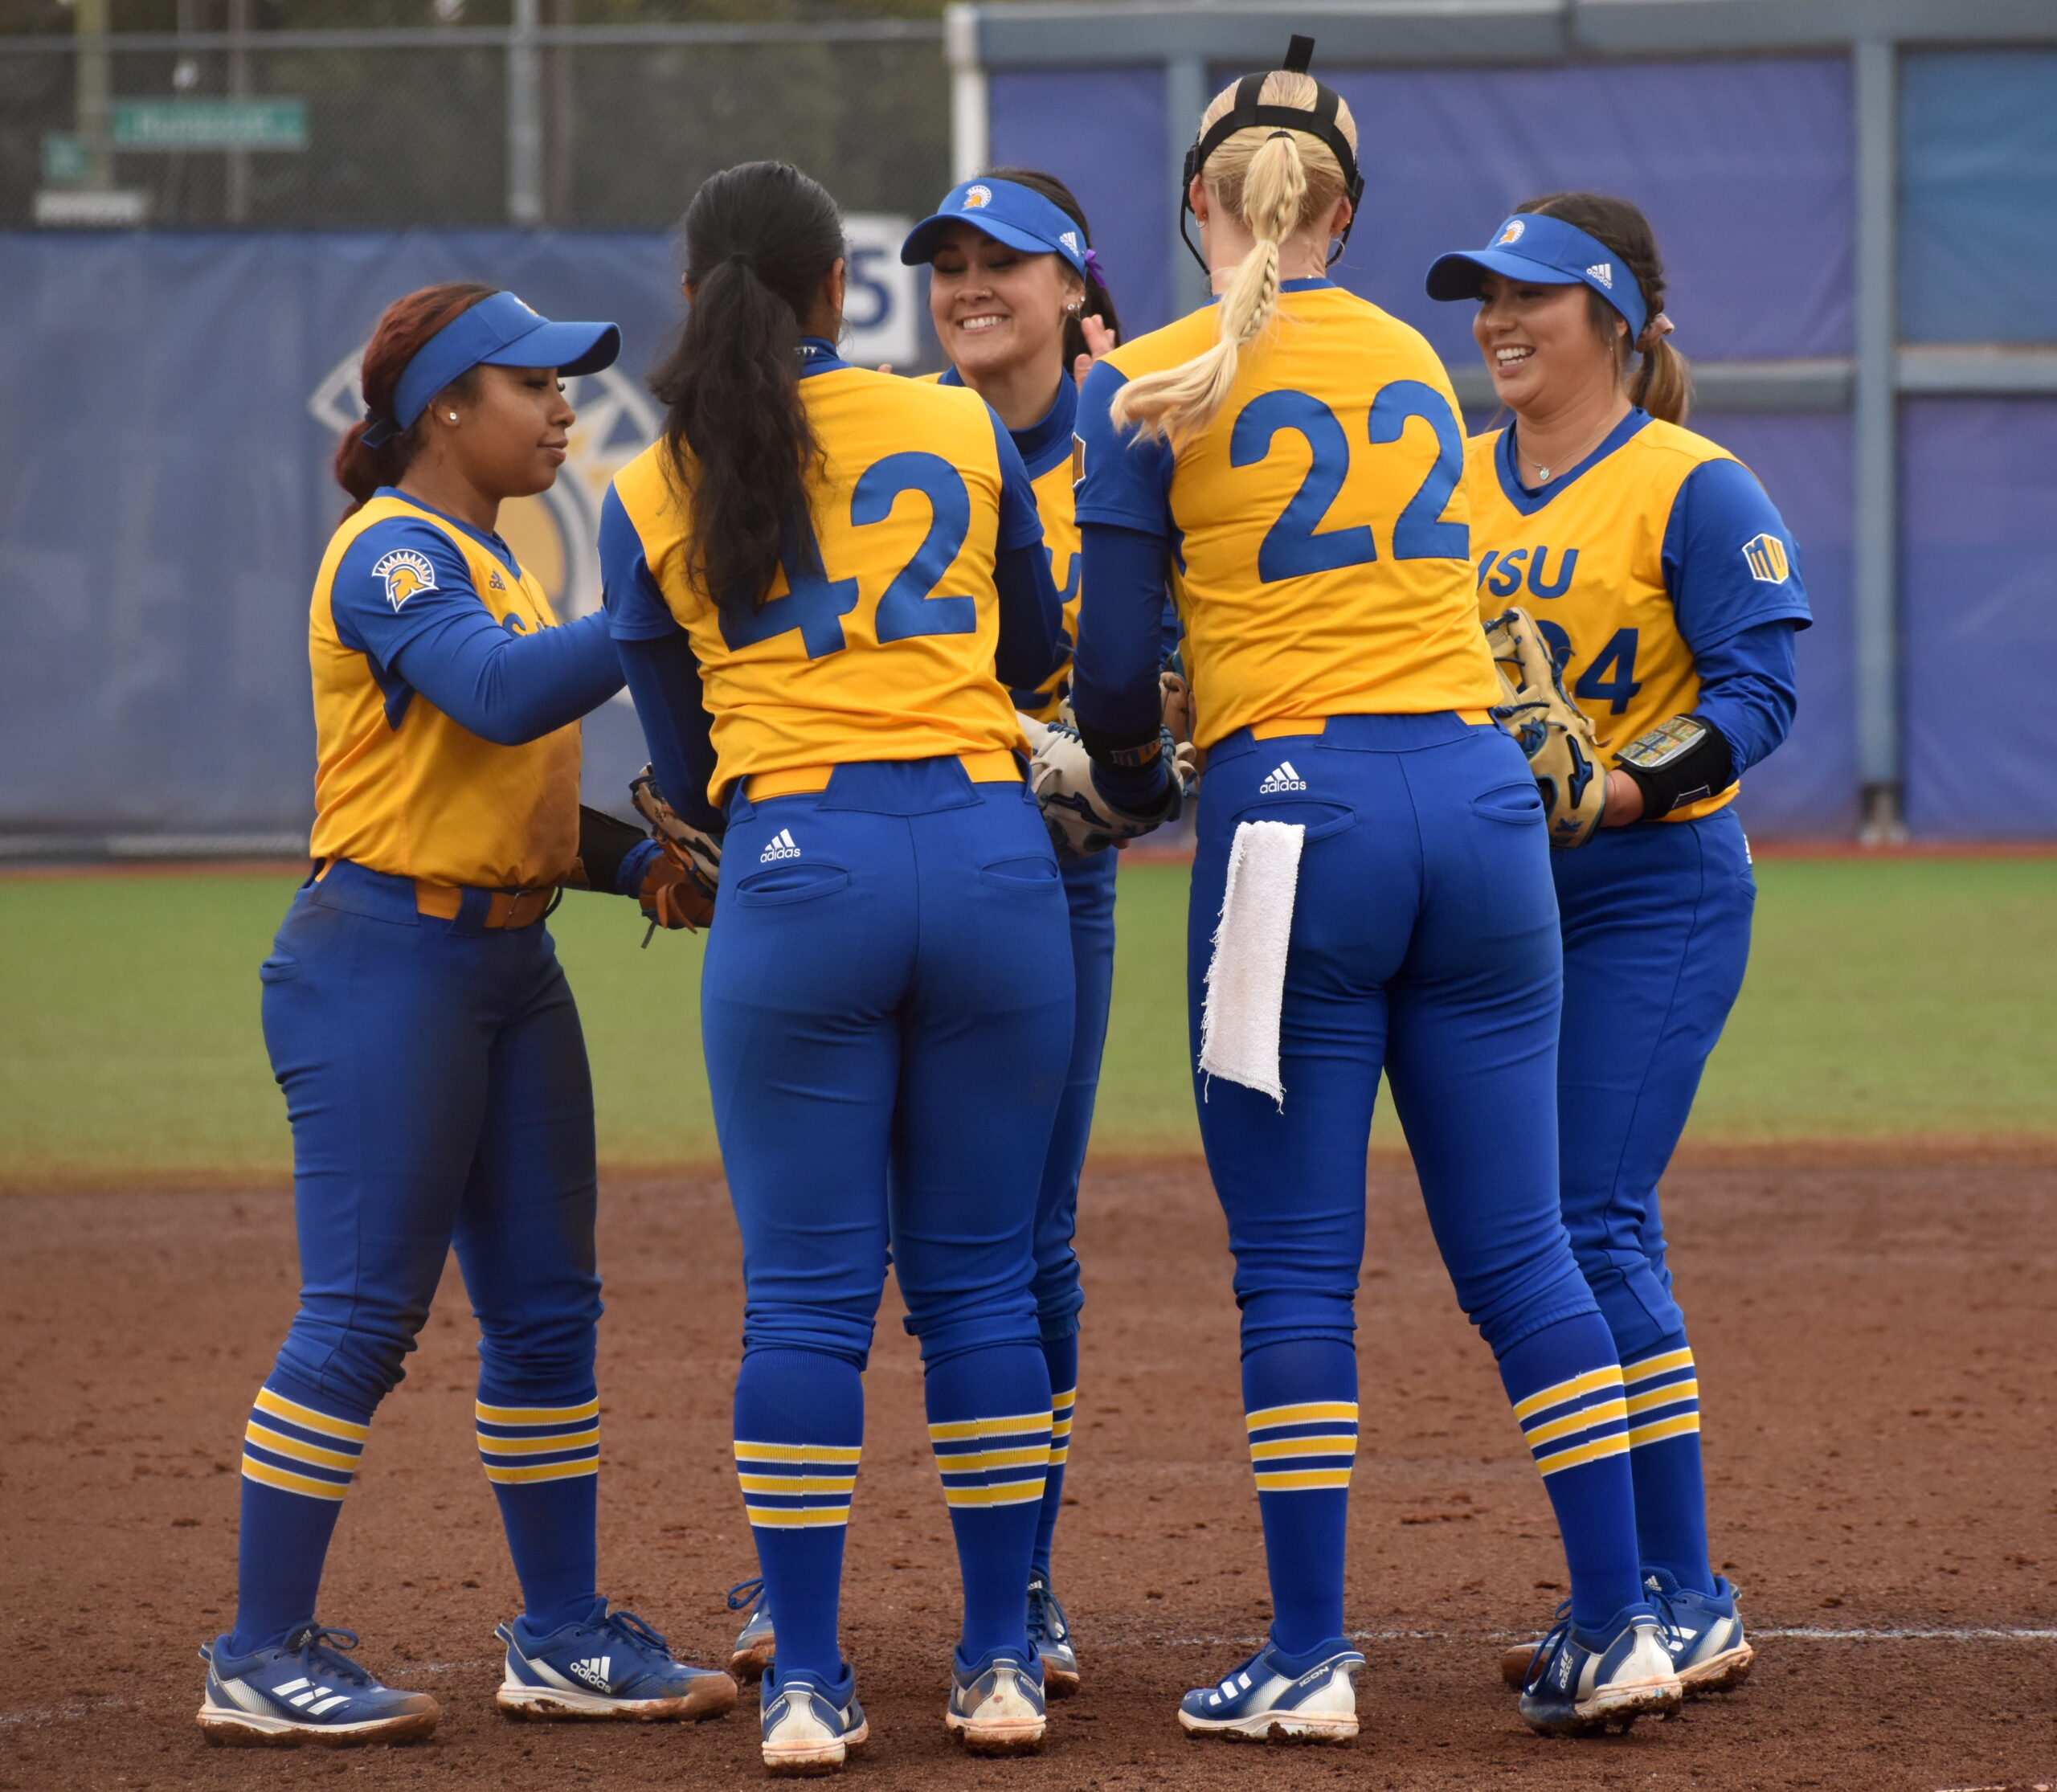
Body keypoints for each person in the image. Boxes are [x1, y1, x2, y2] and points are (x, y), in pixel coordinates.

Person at [1065, 43, 1685, 1741]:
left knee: (1290, 1269)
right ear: (1342, 208)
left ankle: (1308, 1654)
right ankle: (1622, 1621)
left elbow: (1115, 676)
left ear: (1199, 201)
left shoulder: (1157, 377)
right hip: (1480, 812)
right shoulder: (1414, 358)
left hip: (1291, 823)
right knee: (1523, 1249)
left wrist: (1119, 782)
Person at [198, 284, 732, 1746]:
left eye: (567, 384)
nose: (564, 405)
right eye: (533, 383)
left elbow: (521, 809)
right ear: (443, 408)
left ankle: (559, 1633)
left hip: (507, 966)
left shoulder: (494, 564)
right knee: (365, 1317)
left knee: (551, 1318)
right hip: (380, 965)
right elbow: (496, 702)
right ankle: (255, 1649)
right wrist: (660, 597)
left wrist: (646, 871)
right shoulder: (388, 555)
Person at [601, 160, 1073, 1774]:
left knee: (806, 1295)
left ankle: (806, 1678)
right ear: (832, 293)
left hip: (800, 867)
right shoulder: (953, 422)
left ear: (689, 297)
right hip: (994, 856)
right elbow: (1029, 655)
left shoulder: (650, 478)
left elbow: (682, 767)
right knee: (982, 1284)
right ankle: (1000, 1659)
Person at [721, 166, 1125, 1702]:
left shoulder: (1142, 435)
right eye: (947, 260)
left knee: (1024, 1243)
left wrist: (1141, 762)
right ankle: (802, 1575)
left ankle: (1020, 1581)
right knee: (837, 1247)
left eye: (1004, 262)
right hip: (942, 848)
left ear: (1076, 288)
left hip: (1046, 874)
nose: (970, 284)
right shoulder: (858, 425)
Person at [1426, 192, 1812, 1696]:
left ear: (1619, 321)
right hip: (1501, 900)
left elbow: (1758, 697)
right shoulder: (1448, 484)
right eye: (1484, 298)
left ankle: (1682, 1588)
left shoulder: (1693, 484)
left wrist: (1630, 780)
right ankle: (1655, 1583)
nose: (1500, 322)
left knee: (1589, 1217)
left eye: (1533, 295)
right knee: (1546, 1231)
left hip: (1656, 886)